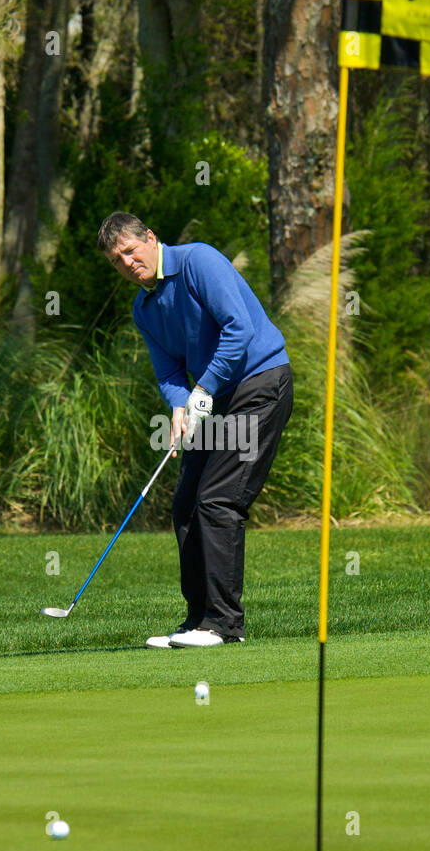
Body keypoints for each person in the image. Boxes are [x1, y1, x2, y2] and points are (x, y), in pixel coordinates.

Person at [98, 211, 293, 648]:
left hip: (260, 383)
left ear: (150, 238)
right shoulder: (144, 309)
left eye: (130, 251)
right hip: (216, 397)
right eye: (117, 260)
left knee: (218, 499)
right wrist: (179, 408)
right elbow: (168, 371)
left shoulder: (197, 261)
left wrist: (203, 387)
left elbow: (237, 327)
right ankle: (197, 621)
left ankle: (224, 625)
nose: (127, 263)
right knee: (186, 503)